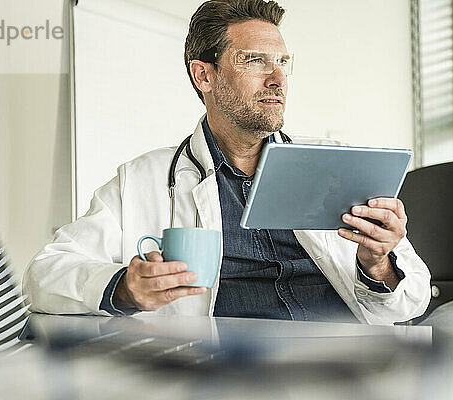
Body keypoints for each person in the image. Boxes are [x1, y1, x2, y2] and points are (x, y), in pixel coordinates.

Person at [23, 0, 430, 325]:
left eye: (283, 62)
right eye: (255, 61)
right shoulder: (142, 180)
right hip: (229, 373)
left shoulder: (337, 163)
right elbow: (43, 275)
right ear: (204, 75)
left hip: (348, 365)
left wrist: (377, 262)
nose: (277, 79)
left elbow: (411, 302)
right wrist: (125, 288)